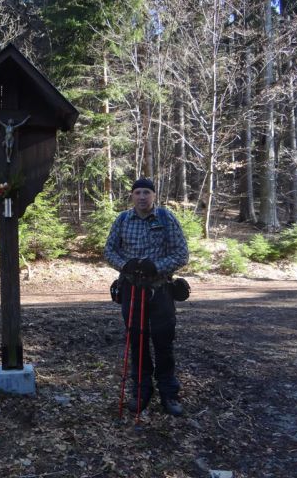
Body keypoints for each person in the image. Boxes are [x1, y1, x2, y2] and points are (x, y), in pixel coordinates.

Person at [104, 178, 189, 416]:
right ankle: (141, 391)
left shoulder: (166, 218)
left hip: (161, 289)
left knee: (164, 341)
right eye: (138, 192)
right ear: (132, 196)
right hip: (132, 290)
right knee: (137, 341)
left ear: (154, 195)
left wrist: (157, 266)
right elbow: (109, 251)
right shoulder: (122, 220)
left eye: (147, 192)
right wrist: (125, 265)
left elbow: (182, 253)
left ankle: (168, 393)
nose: (142, 197)